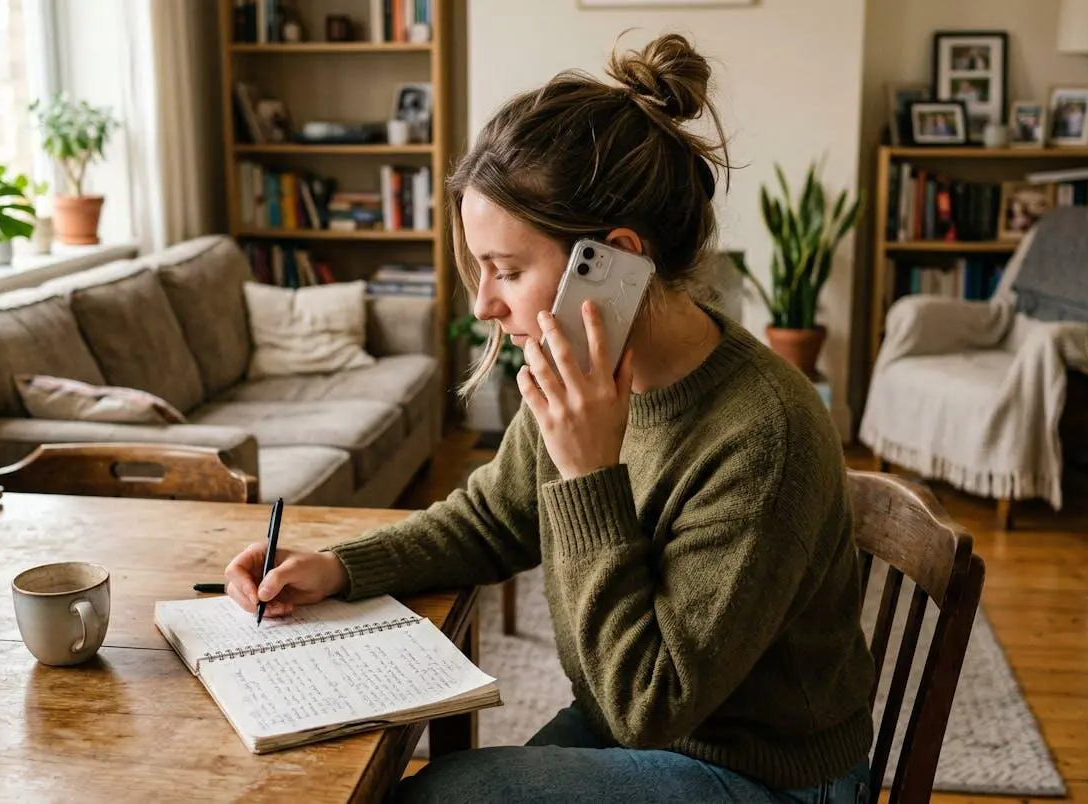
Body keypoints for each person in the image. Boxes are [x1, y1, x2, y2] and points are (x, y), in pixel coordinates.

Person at [225, 32, 875, 804]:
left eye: (505, 270)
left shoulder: (764, 432)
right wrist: (341, 564)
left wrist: (588, 470)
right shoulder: (579, 372)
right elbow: (492, 519)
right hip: (631, 715)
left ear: (615, 259)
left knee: (430, 797)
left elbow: (650, 702)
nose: (482, 305)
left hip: (760, 770)